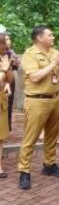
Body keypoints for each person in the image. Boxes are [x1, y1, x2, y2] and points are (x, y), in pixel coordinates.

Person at [18, 26, 59, 190]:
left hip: (54, 99)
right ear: (39, 38)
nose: (53, 38)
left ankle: (49, 164)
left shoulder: (54, 53)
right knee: (30, 137)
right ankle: (24, 171)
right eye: (50, 35)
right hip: (36, 100)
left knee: (52, 134)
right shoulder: (30, 54)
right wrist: (54, 63)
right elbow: (34, 77)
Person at [0, 32, 19, 132]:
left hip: (7, 82)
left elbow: (14, 68)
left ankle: (7, 127)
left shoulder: (11, 53)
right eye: (5, 39)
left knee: (8, 104)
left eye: (8, 39)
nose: (8, 42)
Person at [0, 39, 13, 178]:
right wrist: (4, 69)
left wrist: (8, 68)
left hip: (1, 99)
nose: (4, 45)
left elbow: (9, 80)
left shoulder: (3, 57)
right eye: (1, 42)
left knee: (0, 136)